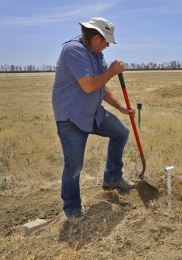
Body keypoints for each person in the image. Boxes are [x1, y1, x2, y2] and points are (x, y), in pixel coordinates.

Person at [52, 17, 135, 221]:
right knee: (74, 166)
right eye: (106, 41)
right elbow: (89, 85)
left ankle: (113, 178)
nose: (107, 46)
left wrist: (120, 106)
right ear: (96, 37)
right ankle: (72, 209)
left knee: (121, 132)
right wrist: (112, 72)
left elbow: (102, 86)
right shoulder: (73, 50)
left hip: (94, 113)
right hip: (72, 117)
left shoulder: (96, 55)